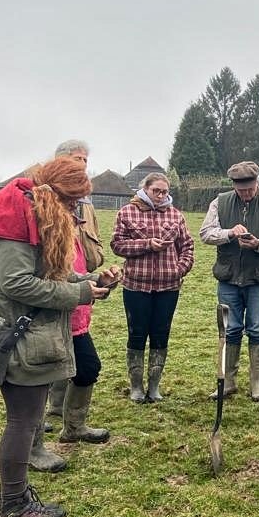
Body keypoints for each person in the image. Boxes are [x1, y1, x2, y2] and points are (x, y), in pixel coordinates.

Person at [0, 158, 115, 517]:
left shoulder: (38, 214)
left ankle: (17, 495)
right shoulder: (15, 216)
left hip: (34, 332)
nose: (75, 210)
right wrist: (78, 294)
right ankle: (13, 504)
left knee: (28, 419)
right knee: (23, 422)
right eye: (72, 202)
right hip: (19, 335)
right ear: (54, 194)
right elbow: (16, 283)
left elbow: (51, 272)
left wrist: (90, 279)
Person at [32, 139, 115, 470]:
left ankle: (74, 427)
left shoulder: (76, 210)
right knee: (38, 378)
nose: (81, 164)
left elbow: (69, 267)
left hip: (75, 305)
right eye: (75, 159)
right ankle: (33, 443)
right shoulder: (39, 212)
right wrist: (81, 288)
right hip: (46, 313)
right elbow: (31, 277)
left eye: (85, 160)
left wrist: (94, 280)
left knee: (88, 367)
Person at [199, 161, 259, 402]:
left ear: (258, 182)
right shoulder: (220, 202)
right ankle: (228, 381)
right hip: (228, 277)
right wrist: (229, 234)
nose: (246, 194)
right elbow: (205, 233)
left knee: (257, 327)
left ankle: (257, 382)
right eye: (241, 190)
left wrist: (258, 244)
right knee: (230, 328)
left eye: (250, 189)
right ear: (233, 186)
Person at [110, 172, 194, 402]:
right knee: (136, 334)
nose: (160, 195)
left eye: (164, 191)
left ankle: (154, 386)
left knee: (161, 334)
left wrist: (179, 269)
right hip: (136, 285)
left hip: (168, 287)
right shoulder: (127, 212)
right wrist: (146, 245)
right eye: (156, 190)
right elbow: (117, 245)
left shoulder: (176, 216)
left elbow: (187, 246)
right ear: (145, 189)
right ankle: (136, 386)